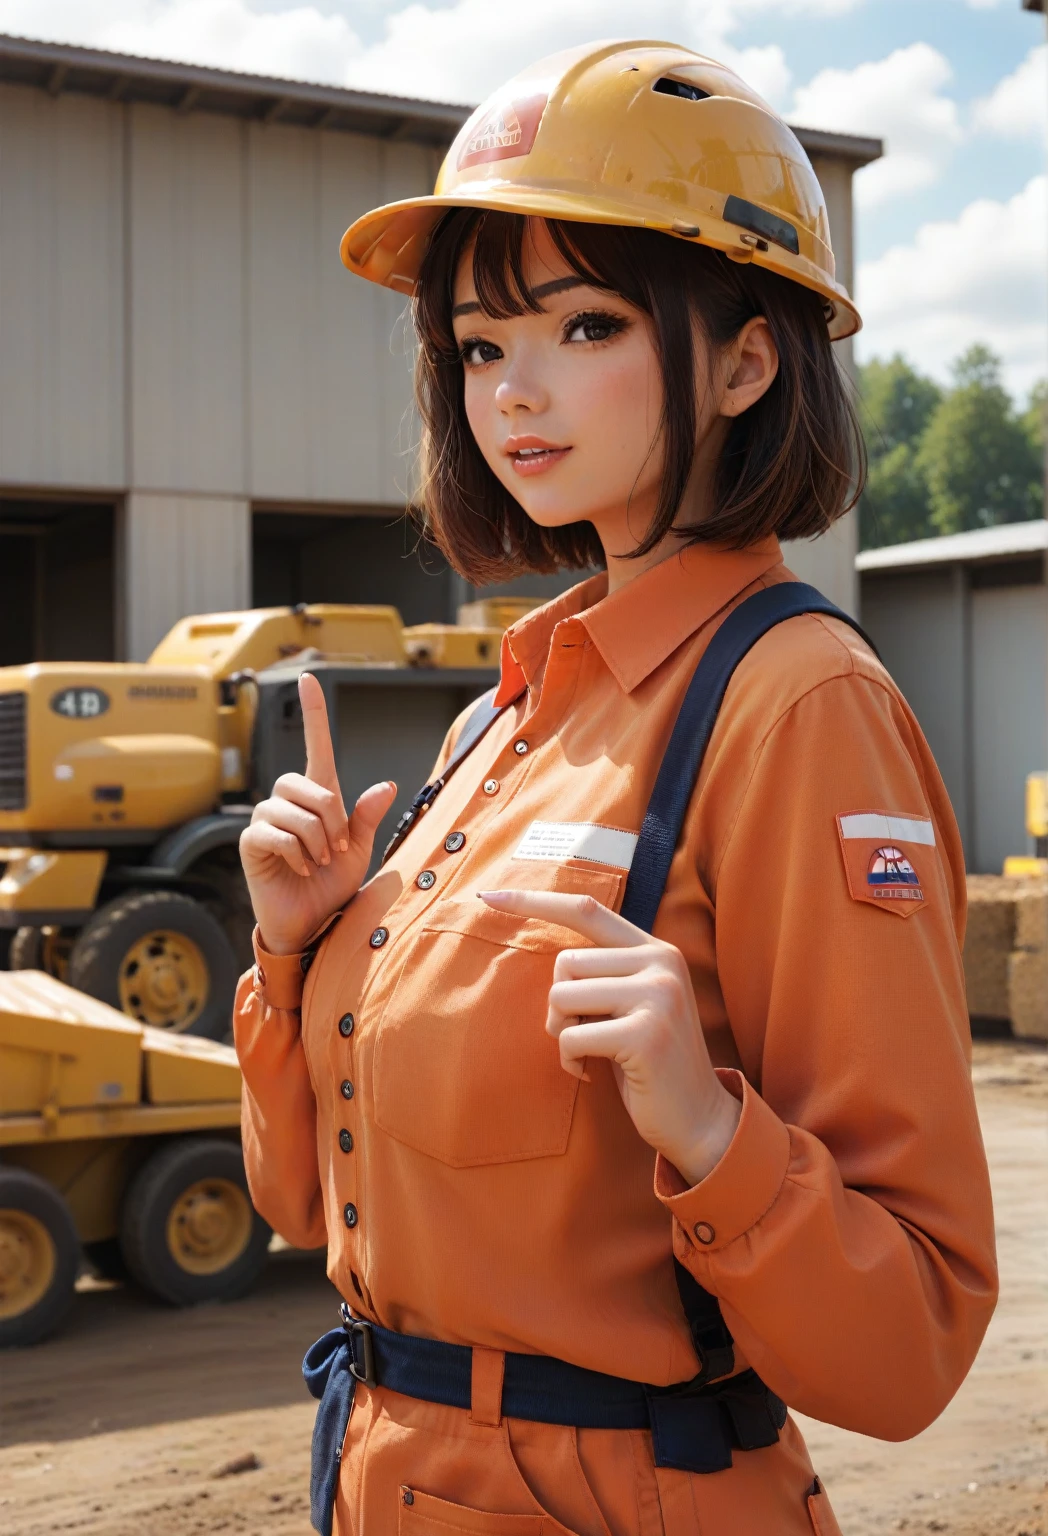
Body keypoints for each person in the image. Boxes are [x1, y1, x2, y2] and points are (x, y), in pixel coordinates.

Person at [234, 40, 997, 1536]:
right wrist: (293, 954)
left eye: (583, 324)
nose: (514, 393)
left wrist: (713, 1136)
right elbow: (301, 1208)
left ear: (744, 359)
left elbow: (909, 1343)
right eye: (476, 346)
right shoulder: (497, 725)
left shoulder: (795, 711)